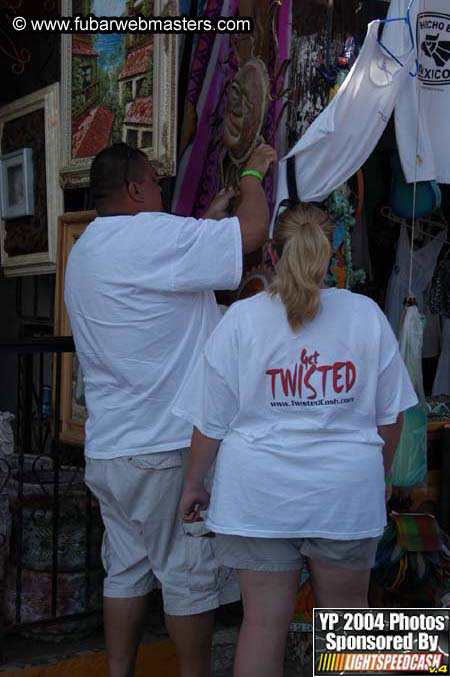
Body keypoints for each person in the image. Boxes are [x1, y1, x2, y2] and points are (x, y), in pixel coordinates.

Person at [176, 203, 418, 677]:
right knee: (350, 621)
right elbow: (392, 419)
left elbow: (210, 421)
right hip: (345, 495)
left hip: (258, 495)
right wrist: (381, 476)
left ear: (271, 253)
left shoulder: (242, 320)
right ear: (335, 252)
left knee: (263, 624)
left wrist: (193, 484)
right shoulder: (366, 315)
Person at [64, 141, 277, 677]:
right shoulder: (150, 236)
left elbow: (161, 285)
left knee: (126, 572)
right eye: (156, 184)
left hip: (113, 450)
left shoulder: (87, 248)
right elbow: (252, 233)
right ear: (135, 189)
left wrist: (205, 224)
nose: (163, 194)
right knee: (187, 577)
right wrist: (254, 172)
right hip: (162, 449)